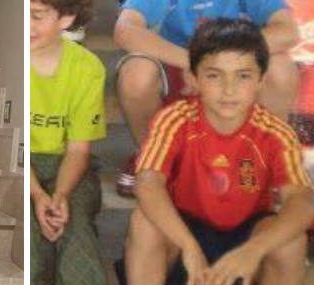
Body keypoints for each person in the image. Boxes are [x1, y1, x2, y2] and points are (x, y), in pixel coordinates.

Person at [106, 19, 314, 285]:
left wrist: (254, 250)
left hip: (246, 235)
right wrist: (188, 246)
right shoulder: (176, 119)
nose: (229, 89)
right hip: (184, 231)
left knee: (290, 236)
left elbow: (301, 202)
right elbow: (148, 182)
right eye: (215, 75)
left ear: (262, 81)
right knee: (144, 220)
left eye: (243, 76)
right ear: (194, 79)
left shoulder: (276, 132)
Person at [113, 0, 300, 196]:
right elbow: (125, 30)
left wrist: (216, 59)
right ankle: (152, 159)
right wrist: (191, 62)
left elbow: (287, 31)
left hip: (233, 65)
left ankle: (264, 157)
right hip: (179, 67)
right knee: (136, 73)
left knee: (281, 68)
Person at [29, 0, 107, 285]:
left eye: (36, 15)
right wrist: (38, 197)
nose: (24, 24)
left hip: (68, 167)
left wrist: (57, 196)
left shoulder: (87, 68)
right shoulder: (12, 62)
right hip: (20, 164)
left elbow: (79, 149)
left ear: (66, 18)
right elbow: (12, 146)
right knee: (27, 233)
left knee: (75, 227)